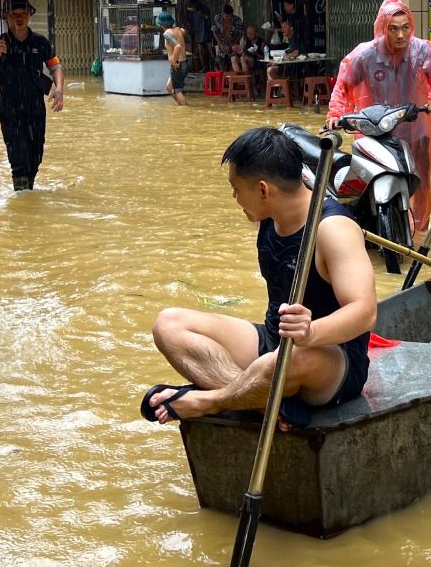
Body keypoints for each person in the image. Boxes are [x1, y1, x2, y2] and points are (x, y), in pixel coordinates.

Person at [143, 127, 377, 424]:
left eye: (237, 188)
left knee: (282, 362)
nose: (234, 197)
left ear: (264, 189)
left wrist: (310, 333)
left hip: (328, 360)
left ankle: (211, 400)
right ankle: (263, 404)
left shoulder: (333, 230)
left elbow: (365, 311)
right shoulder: (269, 217)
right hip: (274, 340)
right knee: (168, 325)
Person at [326, 0, 431, 235]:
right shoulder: (364, 55)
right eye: (393, 29)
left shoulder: (422, 50)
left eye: (405, 28)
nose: (400, 35)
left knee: (422, 177)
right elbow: (343, 85)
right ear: (383, 28)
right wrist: (335, 113)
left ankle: (421, 228)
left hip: (416, 125)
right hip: (376, 127)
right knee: (366, 173)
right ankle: (366, 220)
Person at [0, 0, 64, 192]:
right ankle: (22, 199)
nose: (19, 18)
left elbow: (55, 67)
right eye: (14, 14)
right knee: (19, 160)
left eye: (23, 13)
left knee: (35, 158)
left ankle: (28, 192)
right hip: (10, 111)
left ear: (30, 15)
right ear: (6, 18)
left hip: (35, 109)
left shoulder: (40, 42)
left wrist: (59, 90)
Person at [158, 9, 189, 106]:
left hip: (178, 64)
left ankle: (185, 111)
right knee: (169, 87)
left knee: (177, 91)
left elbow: (178, 46)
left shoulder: (167, 33)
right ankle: (182, 105)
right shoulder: (179, 30)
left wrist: (173, 61)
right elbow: (184, 31)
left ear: (161, 24)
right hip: (184, 63)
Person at [214, 3, 242, 69]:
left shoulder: (238, 20)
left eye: (230, 16)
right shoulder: (217, 19)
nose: (228, 18)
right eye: (226, 16)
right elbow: (214, 31)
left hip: (233, 45)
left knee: (233, 62)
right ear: (222, 14)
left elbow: (240, 34)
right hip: (222, 45)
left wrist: (232, 44)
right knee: (221, 63)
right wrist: (220, 43)